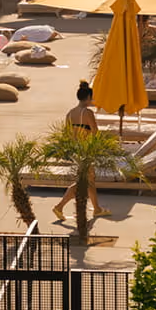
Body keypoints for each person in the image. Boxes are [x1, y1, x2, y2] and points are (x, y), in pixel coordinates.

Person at [52, 81, 110, 223]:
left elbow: (66, 135)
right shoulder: (87, 113)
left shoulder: (70, 113)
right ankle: (59, 206)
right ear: (88, 98)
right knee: (84, 181)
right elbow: (95, 133)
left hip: (76, 151)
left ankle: (97, 209)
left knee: (89, 180)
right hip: (87, 150)